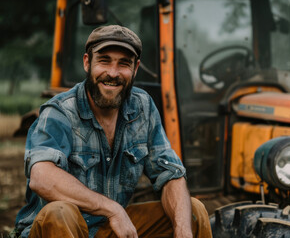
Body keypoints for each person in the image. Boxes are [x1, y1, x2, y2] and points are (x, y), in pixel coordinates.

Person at [14, 25, 212, 238]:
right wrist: (112, 209)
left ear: (135, 69)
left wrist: (182, 230)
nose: (113, 73)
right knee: (59, 212)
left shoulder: (143, 107)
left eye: (123, 64)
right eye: (104, 60)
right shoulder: (60, 111)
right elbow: (41, 176)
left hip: (110, 229)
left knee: (193, 212)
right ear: (87, 62)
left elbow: (170, 174)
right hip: (60, 229)